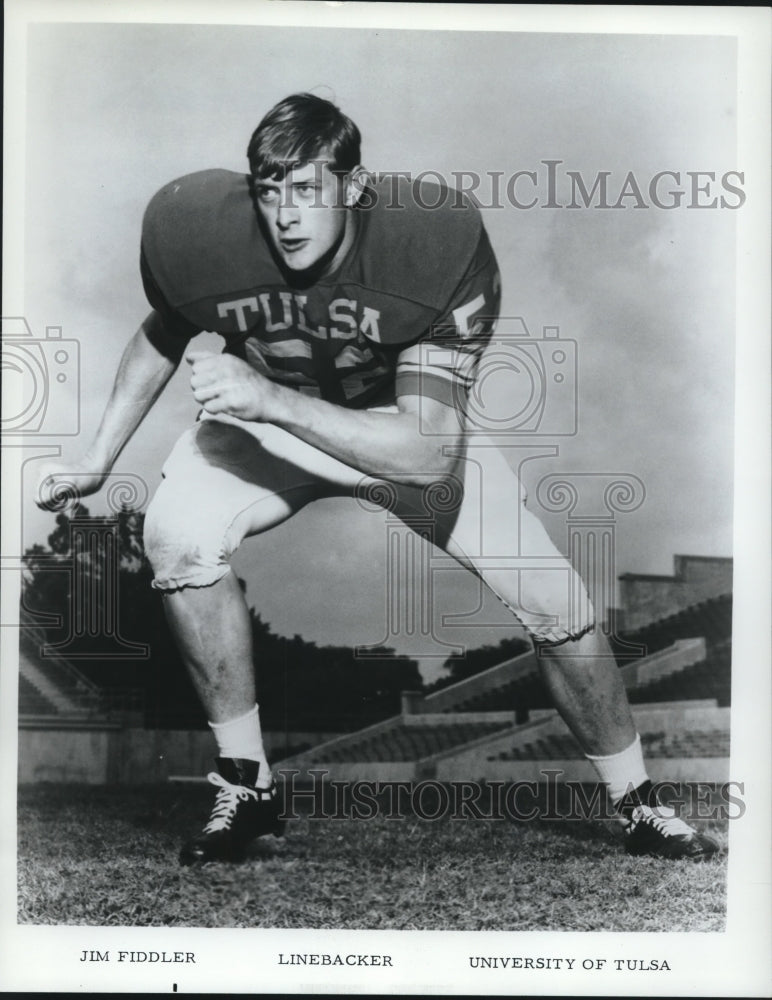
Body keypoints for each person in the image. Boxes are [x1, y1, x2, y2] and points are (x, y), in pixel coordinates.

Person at [36, 93, 717, 864]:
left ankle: (637, 803)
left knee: (556, 602)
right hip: (266, 429)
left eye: (307, 190)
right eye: (270, 191)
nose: (286, 215)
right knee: (175, 537)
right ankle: (246, 787)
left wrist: (269, 396)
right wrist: (99, 455)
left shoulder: (430, 243)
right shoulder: (199, 229)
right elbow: (166, 325)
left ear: (355, 187)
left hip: (394, 425)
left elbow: (425, 454)